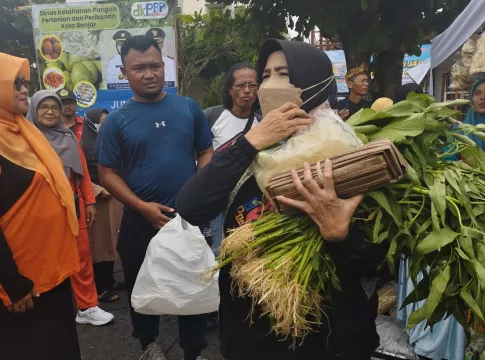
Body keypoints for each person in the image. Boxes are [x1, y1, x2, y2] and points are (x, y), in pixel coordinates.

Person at [176, 39, 385, 360]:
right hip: (249, 335)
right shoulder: (252, 152)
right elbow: (190, 206)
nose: (271, 84)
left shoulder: (348, 151)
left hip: (325, 340)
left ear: (314, 81)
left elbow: (379, 260)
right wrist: (251, 143)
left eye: (284, 74)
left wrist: (339, 236)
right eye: (266, 75)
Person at [97, 35, 214, 360]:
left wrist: (197, 189)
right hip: (139, 219)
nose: (148, 73)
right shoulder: (117, 120)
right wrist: (142, 207)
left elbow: (205, 151)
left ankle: (194, 351)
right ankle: (148, 345)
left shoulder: (188, 107)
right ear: (124, 72)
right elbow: (107, 174)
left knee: (191, 284)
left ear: (164, 66)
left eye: (155, 66)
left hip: (187, 218)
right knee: (139, 284)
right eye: (139, 68)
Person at [0, 53, 81, 359]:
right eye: (15, 83)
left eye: (25, 82)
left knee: (60, 344)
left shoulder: (24, 131)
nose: (24, 89)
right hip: (20, 283)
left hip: (53, 270)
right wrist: (12, 284)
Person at [27, 90, 114, 327]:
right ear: (33, 110)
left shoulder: (68, 138)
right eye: (44, 107)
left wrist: (90, 202)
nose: (50, 112)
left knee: (82, 257)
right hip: (41, 210)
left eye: (54, 107)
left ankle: (87, 306)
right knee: (46, 258)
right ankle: (47, 308)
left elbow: (82, 175)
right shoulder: (26, 140)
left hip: (74, 206)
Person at [204, 62, 261, 257]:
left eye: (253, 85)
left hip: (251, 201)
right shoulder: (212, 116)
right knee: (220, 252)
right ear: (230, 89)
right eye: (241, 85)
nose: (247, 90)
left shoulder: (263, 122)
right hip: (219, 199)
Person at [82, 108, 123, 303]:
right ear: (90, 123)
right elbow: (80, 174)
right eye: (100, 121)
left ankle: (110, 280)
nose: (103, 124)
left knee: (111, 242)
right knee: (98, 245)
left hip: (113, 196)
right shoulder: (82, 145)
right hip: (95, 199)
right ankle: (99, 287)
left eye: (106, 120)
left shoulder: (111, 140)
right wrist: (98, 190)